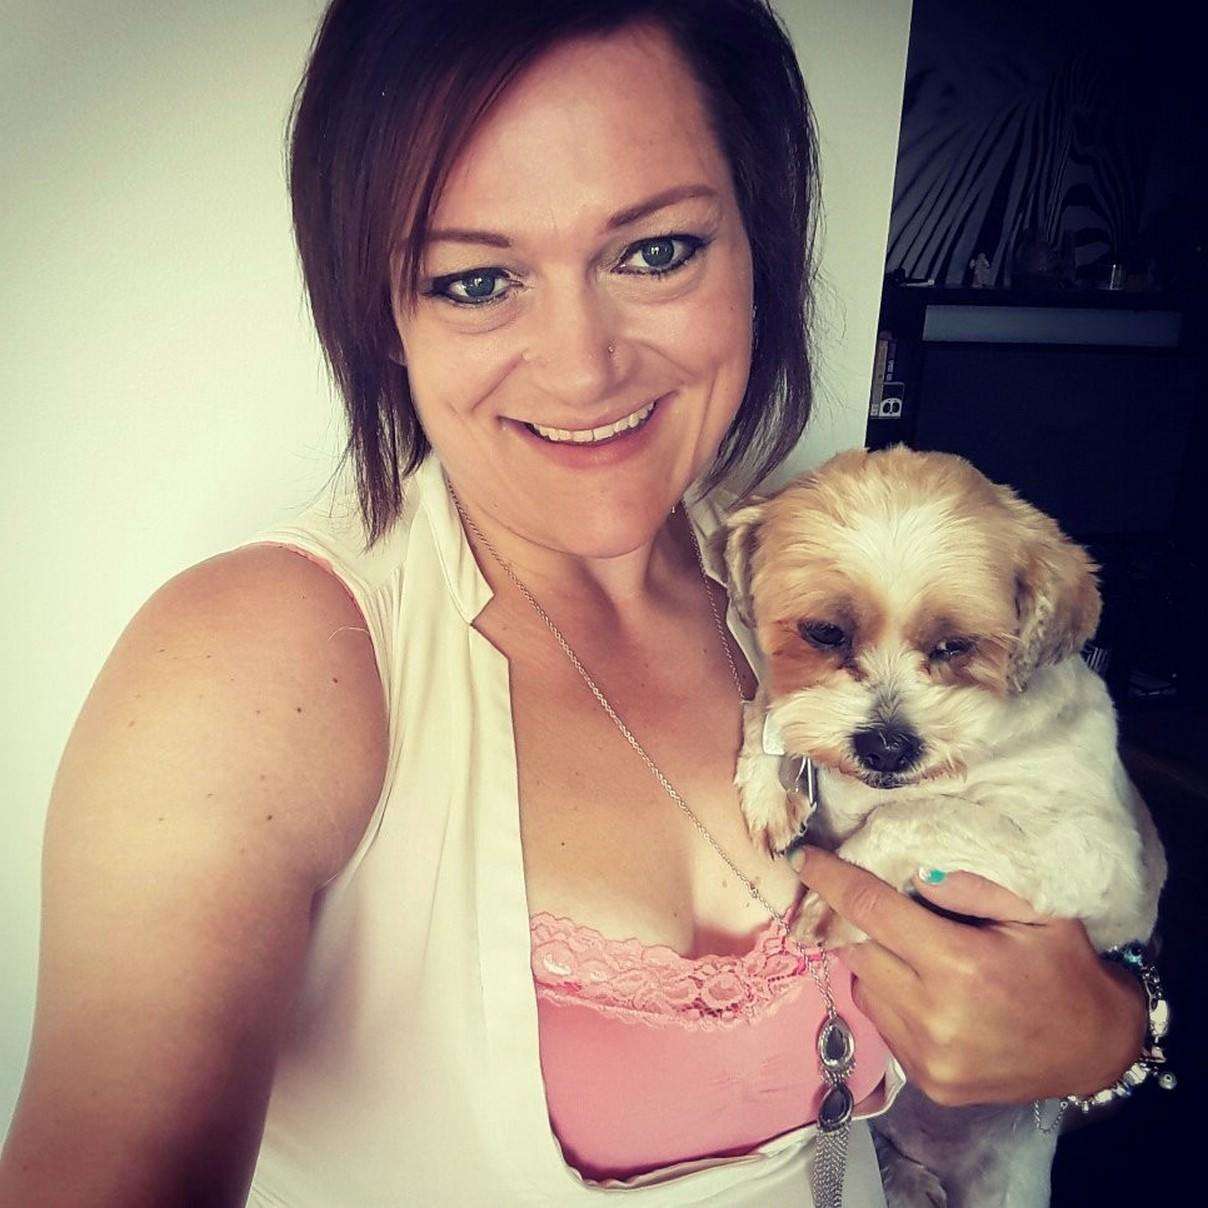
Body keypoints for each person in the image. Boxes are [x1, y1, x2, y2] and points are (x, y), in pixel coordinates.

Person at [0, 2, 1149, 1204]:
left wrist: (1111, 1030)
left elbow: (1074, 856)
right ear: (380, 310)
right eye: (474, 278)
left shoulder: (806, 562)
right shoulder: (254, 662)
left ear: (756, 243)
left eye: (655, 251)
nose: (583, 365)